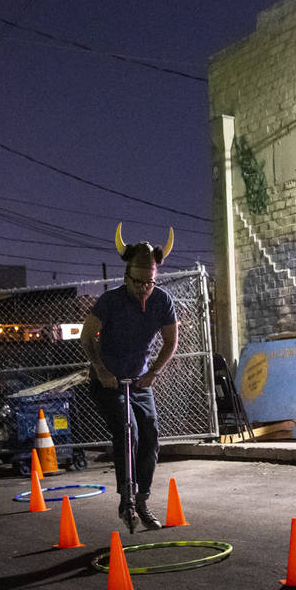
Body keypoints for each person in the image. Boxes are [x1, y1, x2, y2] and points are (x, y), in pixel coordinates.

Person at [81, 224, 179, 530]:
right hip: (108, 381)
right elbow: (87, 337)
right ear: (126, 277)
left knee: (150, 435)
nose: (143, 288)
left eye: (148, 283)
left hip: (138, 382)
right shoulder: (110, 301)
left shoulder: (162, 301)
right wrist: (100, 368)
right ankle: (126, 499)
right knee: (128, 431)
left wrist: (154, 372)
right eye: (137, 282)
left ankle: (143, 500)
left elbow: (171, 340)